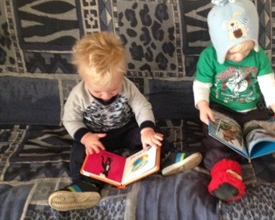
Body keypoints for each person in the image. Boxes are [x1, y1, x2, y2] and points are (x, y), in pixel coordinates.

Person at [48, 32, 202, 211]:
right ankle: (85, 186)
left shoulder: (127, 86)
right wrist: (85, 137)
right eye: (98, 92)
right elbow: (70, 119)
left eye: (113, 89)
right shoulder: (78, 95)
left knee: (152, 135)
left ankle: (165, 158)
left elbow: (142, 108)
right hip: (97, 138)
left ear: (122, 76)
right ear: (85, 79)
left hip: (127, 129)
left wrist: (146, 130)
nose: (106, 96)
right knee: (78, 150)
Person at [193, 0, 275, 202]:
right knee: (215, 141)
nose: (239, 58)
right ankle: (224, 175)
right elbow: (201, 85)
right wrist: (203, 106)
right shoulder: (209, 57)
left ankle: (247, 158)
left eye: (245, 50)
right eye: (232, 55)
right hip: (220, 110)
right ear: (219, 46)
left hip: (251, 110)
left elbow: (268, 83)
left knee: (263, 134)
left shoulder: (259, 57)